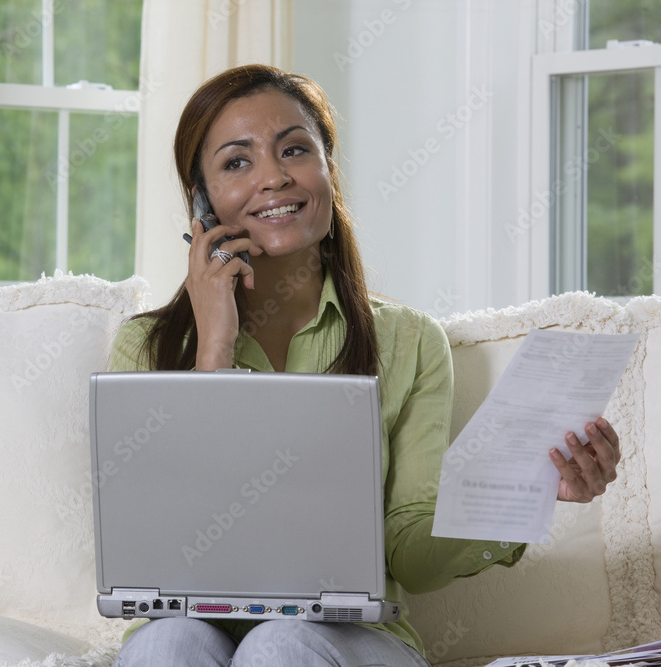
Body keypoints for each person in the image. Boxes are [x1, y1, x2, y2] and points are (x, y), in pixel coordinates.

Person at [107, 64, 621, 667]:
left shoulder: (408, 341)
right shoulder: (144, 348)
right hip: (191, 627)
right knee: (164, 642)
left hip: (344, 642)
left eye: (294, 150)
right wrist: (213, 352)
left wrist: (528, 493)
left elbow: (410, 556)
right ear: (201, 201)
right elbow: (158, 546)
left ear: (328, 168)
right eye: (237, 162)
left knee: (280, 643)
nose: (273, 176)